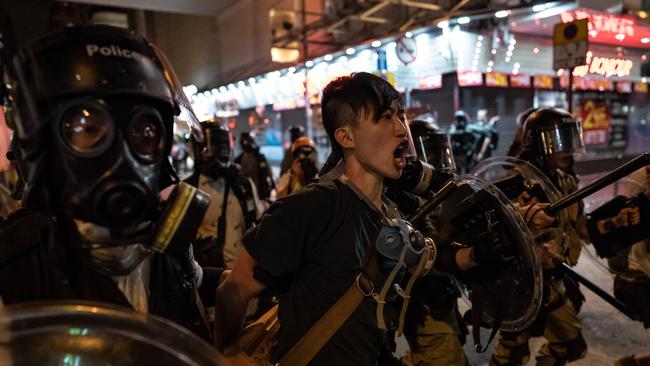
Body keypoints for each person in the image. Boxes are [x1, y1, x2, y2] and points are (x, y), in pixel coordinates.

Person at [214, 72, 492, 365]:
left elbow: (430, 261)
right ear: (346, 137)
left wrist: (478, 253)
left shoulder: (392, 215)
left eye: (401, 117)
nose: (401, 130)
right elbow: (232, 290)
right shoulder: (312, 206)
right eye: (385, 118)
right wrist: (226, 354)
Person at [0, 25, 222, 340]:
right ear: (45, 145)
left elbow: (196, 289)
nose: (124, 158)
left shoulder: (169, 242)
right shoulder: (12, 270)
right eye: (89, 128)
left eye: (145, 132)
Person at [195, 120, 264, 269]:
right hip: (206, 279)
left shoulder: (244, 184)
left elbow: (257, 223)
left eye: (217, 147)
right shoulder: (189, 188)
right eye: (208, 148)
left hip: (242, 276)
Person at [235, 131, 275, 202]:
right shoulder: (238, 160)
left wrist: (272, 186)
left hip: (261, 195)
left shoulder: (260, 158)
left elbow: (269, 173)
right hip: (247, 196)